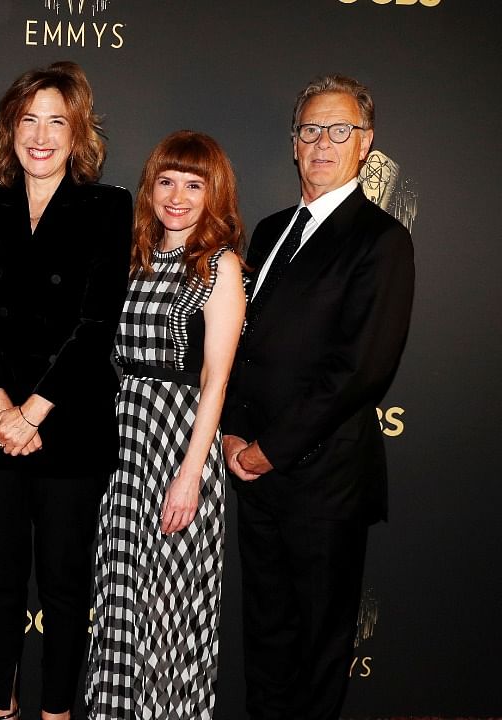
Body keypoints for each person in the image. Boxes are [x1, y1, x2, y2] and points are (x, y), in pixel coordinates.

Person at [222, 75, 415, 719]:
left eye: (340, 130)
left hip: (323, 481)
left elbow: (360, 369)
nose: (323, 142)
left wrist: (270, 450)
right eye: (310, 129)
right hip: (254, 475)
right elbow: (244, 345)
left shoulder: (382, 240)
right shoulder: (274, 228)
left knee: (318, 647)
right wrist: (232, 432)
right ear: (294, 143)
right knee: (267, 639)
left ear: (365, 145)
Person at [0, 62, 129, 720]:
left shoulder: (107, 207)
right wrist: (2, 409)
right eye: (29, 119)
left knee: (62, 584)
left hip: (71, 429)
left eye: (58, 120)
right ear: (11, 129)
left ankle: (56, 712)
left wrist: (34, 412)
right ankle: (3, 706)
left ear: (79, 132)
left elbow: (94, 323)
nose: (42, 134)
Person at [84, 131, 246, 718]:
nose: (177, 196)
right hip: (120, 443)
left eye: (194, 185)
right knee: (119, 599)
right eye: (167, 181)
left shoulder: (220, 266)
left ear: (214, 193)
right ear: (151, 187)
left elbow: (216, 381)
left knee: (167, 607)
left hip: (179, 444)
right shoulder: (134, 256)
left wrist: (191, 473)